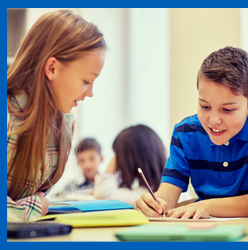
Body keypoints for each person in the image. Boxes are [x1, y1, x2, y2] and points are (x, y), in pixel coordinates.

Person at [135, 46, 248, 219]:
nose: (214, 120)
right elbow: (168, 194)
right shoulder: (185, 132)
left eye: (227, 109)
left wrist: (207, 206)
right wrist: (156, 204)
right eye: (205, 106)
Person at [7, 10, 106, 222]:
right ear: (52, 68)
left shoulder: (64, 126)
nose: (90, 92)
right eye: (87, 81)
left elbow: (38, 194)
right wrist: (33, 208)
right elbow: (35, 202)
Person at [94, 125, 166, 207]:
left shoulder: (144, 196)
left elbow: (104, 195)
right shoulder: (161, 187)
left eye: (118, 156)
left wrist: (118, 152)